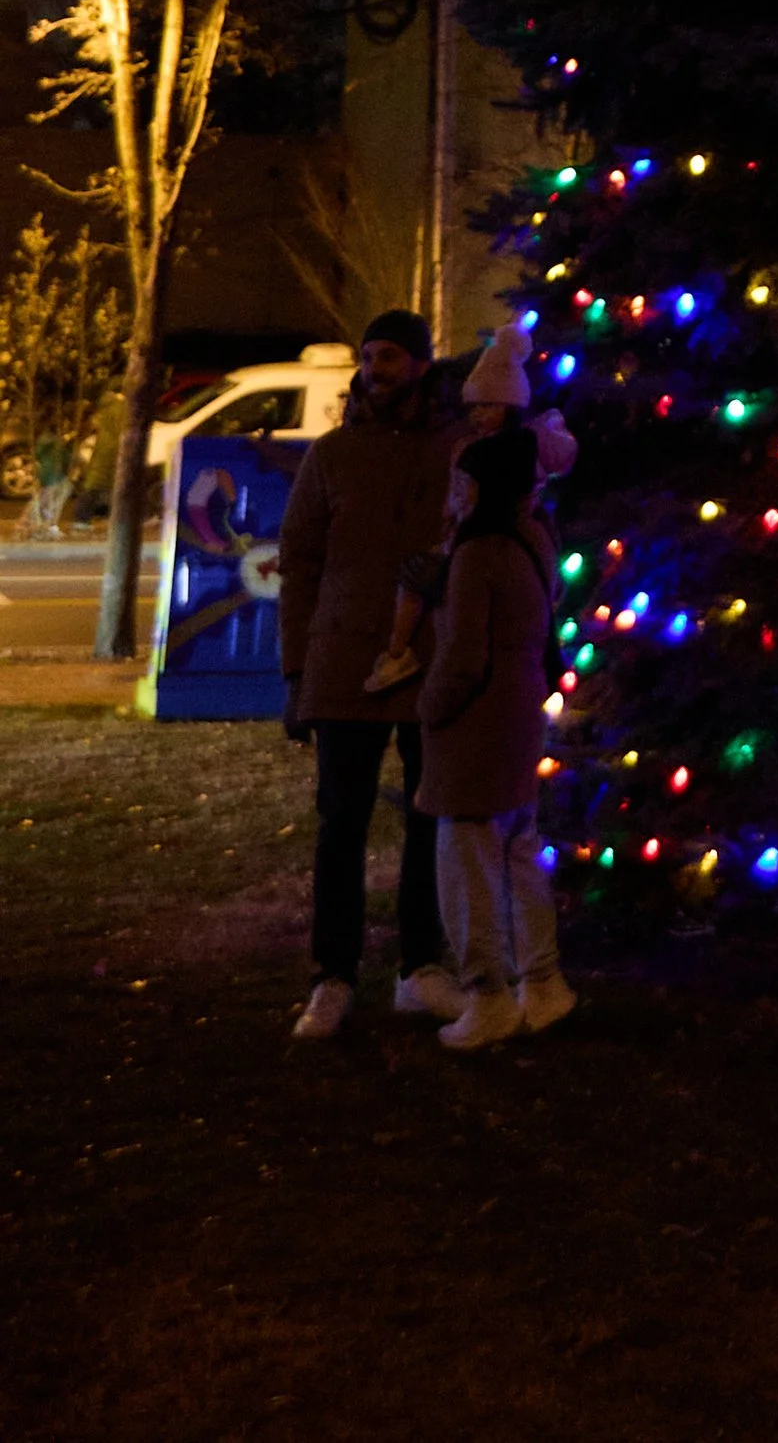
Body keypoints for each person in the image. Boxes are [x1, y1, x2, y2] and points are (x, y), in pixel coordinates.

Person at [276, 308, 470, 1039]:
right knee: (340, 825)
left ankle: (421, 967)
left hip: (431, 664)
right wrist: (297, 670)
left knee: (430, 819)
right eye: (368, 357)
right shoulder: (331, 456)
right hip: (343, 663)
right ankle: (333, 975)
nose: (375, 370)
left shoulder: (456, 451)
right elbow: (299, 565)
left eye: (390, 356)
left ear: (421, 365)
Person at [418, 416, 574, 1051]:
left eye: (464, 481)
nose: (455, 491)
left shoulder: (476, 555)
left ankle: (488, 997)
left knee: (467, 862)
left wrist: (429, 705)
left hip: (474, 730)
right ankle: (543, 981)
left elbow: (461, 657)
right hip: (520, 721)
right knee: (519, 852)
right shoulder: (533, 538)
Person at [364, 317, 572, 695]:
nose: (476, 415)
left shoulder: (517, 448)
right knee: (423, 585)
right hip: (463, 534)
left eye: (486, 406)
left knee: (428, 587)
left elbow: (551, 457)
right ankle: (398, 651)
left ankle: (398, 653)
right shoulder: (469, 446)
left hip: (479, 536)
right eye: (472, 407)